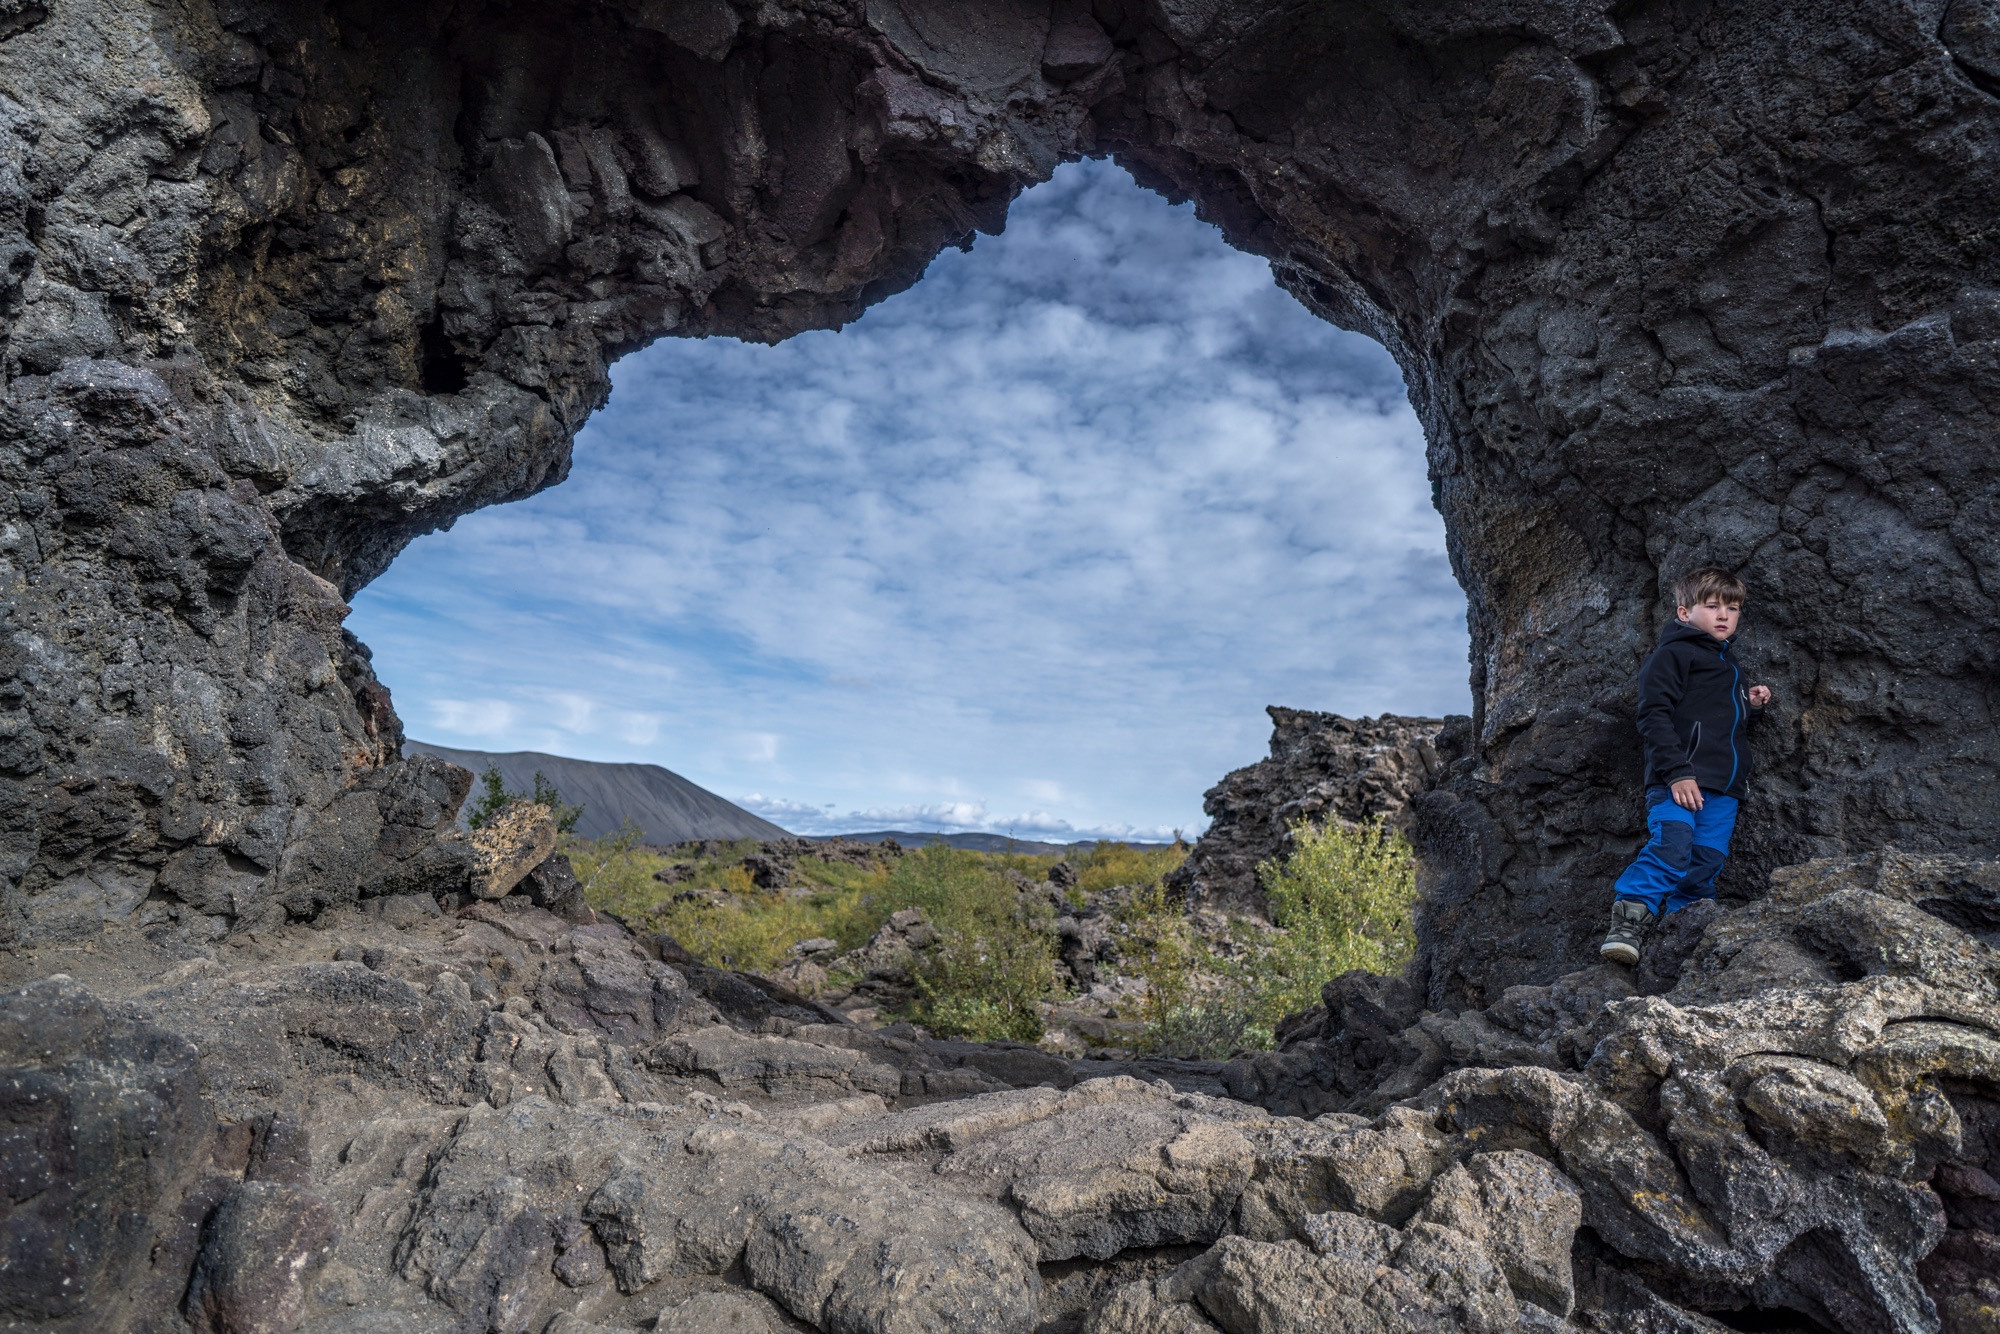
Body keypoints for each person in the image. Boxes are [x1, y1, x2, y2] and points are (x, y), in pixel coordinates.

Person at [1600, 568, 1773, 966]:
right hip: (1678, 781)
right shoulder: (1672, 655)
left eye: (1732, 608)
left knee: (1705, 864)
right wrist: (1678, 772)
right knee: (1672, 848)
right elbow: (1653, 716)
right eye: (1711, 606)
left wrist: (1751, 705)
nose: (1723, 615)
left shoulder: (1731, 668)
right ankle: (1627, 924)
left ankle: (1682, 936)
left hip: (1723, 790)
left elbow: (1720, 720)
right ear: (1683, 612)